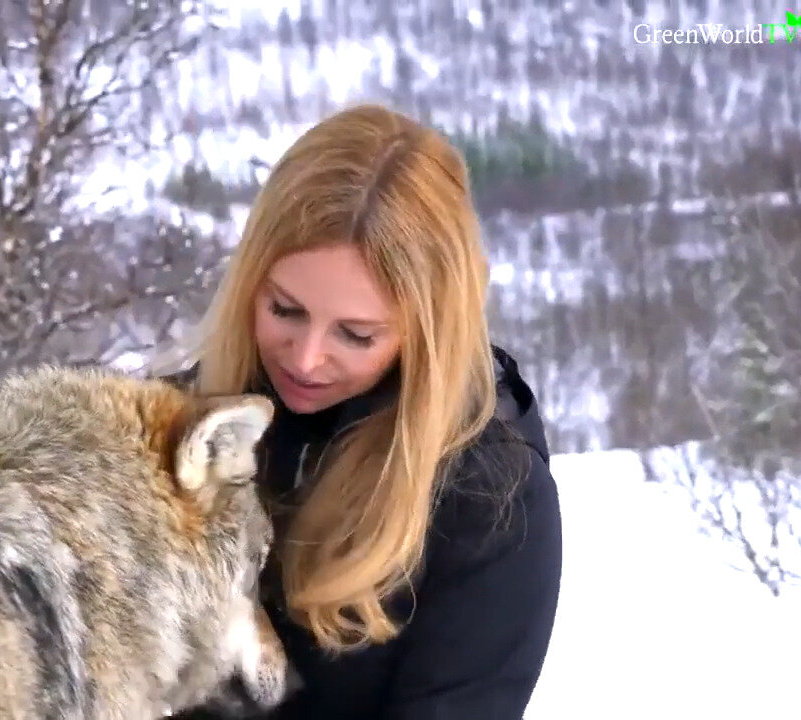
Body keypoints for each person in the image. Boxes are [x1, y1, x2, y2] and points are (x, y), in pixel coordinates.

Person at [160, 103, 563, 719]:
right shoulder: (180, 423)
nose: (306, 358)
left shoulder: (491, 495)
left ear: (423, 332)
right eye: (285, 311)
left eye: (356, 334)